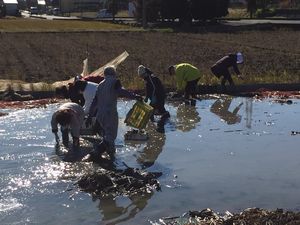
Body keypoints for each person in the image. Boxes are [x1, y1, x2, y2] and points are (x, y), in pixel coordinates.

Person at [87, 66, 142, 160]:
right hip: (110, 113)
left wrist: (90, 116)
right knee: (111, 136)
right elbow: (121, 91)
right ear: (114, 73)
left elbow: (95, 101)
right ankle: (95, 153)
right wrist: (135, 96)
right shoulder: (115, 81)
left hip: (100, 115)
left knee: (107, 135)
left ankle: (111, 155)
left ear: (105, 74)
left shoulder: (100, 84)